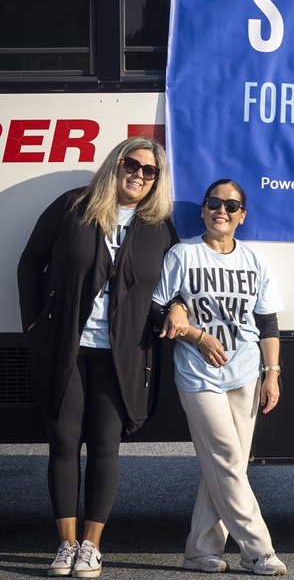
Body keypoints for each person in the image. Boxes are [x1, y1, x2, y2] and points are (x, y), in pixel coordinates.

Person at [17, 137, 177, 578]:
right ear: (116, 164)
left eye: (151, 171)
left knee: (106, 445)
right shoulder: (75, 206)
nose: (140, 175)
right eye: (133, 164)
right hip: (66, 347)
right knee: (64, 444)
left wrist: (178, 306)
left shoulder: (158, 226)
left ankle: (91, 546)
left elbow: (174, 281)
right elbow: (30, 262)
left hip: (121, 355)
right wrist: (34, 326)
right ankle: (65, 545)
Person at [153, 179, 286, 576]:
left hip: (246, 373)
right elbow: (157, 308)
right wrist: (194, 333)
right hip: (198, 376)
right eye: (214, 203)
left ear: (242, 216)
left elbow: (267, 322)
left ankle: (199, 551)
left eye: (231, 205)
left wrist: (272, 373)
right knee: (228, 460)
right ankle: (258, 551)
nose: (221, 210)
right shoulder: (182, 254)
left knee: (227, 466)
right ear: (203, 210)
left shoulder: (254, 261)